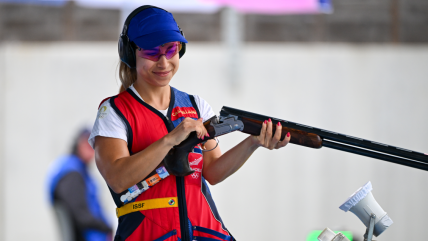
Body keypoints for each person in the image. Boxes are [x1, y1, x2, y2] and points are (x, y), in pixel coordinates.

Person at [88, 5, 291, 241]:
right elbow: (118, 179)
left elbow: (212, 172)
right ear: (130, 53)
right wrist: (170, 140)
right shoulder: (113, 111)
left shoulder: (196, 106)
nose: (163, 62)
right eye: (152, 52)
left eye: (171, 49)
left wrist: (253, 142)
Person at [47, 129, 112, 241]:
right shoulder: (72, 173)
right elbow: (81, 215)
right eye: (87, 142)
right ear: (78, 143)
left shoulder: (76, 169)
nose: (91, 147)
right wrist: (108, 228)